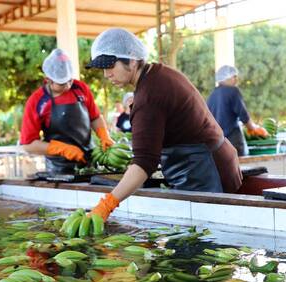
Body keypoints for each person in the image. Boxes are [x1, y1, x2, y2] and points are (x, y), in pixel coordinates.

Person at [85, 28, 243, 221]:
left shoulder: (149, 95)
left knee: (205, 243)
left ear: (132, 59)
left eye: (110, 65)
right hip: (209, 162)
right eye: (102, 68)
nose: (106, 74)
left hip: (204, 171)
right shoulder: (158, 75)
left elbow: (144, 163)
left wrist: (107, 205)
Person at [20, 48, 113, 174]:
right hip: (58, 169)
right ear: (48, 79)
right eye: (62, 83)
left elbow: (95, 117)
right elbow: (28, 145)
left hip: (89, 163)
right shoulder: (37, 101)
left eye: (70, 80)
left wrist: (104, 135)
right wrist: (62, 149)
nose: (68, 86)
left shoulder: (80, 88)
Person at [206, 65, 268, 156]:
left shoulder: (212, 95)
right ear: (226, 78)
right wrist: (254, 128)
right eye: (234, 76)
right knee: (240, 167)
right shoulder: (233, 91)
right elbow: (243, 115)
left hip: (217, 144)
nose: (236, 80)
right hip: (233, 141)